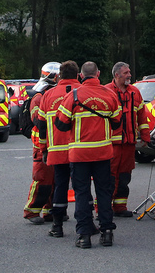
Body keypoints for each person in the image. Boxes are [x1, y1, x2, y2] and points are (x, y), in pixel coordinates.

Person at [54, 61, 121, 248]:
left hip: (79, 154)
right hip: (103, 152)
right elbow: (117, 123)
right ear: (98, 74)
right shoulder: (110, 95)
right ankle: (107, 233)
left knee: (82, 194)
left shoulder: (73, 96)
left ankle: (84, 236)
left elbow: (60, 124)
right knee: (104, 192)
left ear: (81, 76)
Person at [37, 60, 80, 238]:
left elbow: (41, 125)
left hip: (57, 149)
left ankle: (57, 225)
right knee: (81, 186)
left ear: (59, 75)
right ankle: (85, 222)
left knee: (60, 186)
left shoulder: (48, 95)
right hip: (79, 149)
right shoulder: (83, 92)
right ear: (78, 75)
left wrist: (43, 147)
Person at [108, 62, 151, 217]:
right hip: (111, 144)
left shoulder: (135, 92)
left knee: (125, 176)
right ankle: (104, 209)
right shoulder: (107, 91)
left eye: (129, 72)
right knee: (108, 178)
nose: (129, 75)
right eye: (126, 73)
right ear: (117, 75)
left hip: (128, 143)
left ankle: (120, 207)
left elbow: (142, 116)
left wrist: (145, 135)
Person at [23, 62, 60, 224]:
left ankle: (49, 211)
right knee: (42, 179)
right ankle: (31, 212)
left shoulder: (54, 94)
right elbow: (39, 122)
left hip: (56, 143)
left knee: (56, 180)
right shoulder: (38, 97)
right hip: (41, 144)